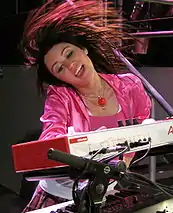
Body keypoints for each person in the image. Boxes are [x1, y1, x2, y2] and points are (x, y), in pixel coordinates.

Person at [20, 0, 152, 212]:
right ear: (59, 78)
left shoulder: (130, 86)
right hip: (59, 196)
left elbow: (142, 128)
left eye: (69, 54)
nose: (70, 66)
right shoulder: (61, 96)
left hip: (106, 191)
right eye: (59, 68)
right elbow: (50, 139)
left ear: (83, 48)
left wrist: (123, 163)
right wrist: (70, 144)